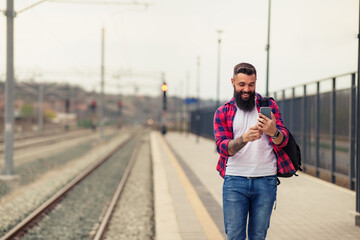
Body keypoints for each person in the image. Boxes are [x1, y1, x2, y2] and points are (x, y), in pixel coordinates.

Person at [213, 62, 295, 240]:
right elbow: (222, 147)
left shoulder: (269, 106)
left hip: (266, 181)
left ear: (256, 82)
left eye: (251, 84)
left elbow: (284, 141)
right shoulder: (223, 112)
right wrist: (244, 138)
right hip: (235, 181)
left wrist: (274, 132)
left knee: (258, 236)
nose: (246, 89)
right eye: (241, 84)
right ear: (233, 82)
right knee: (235, 236)